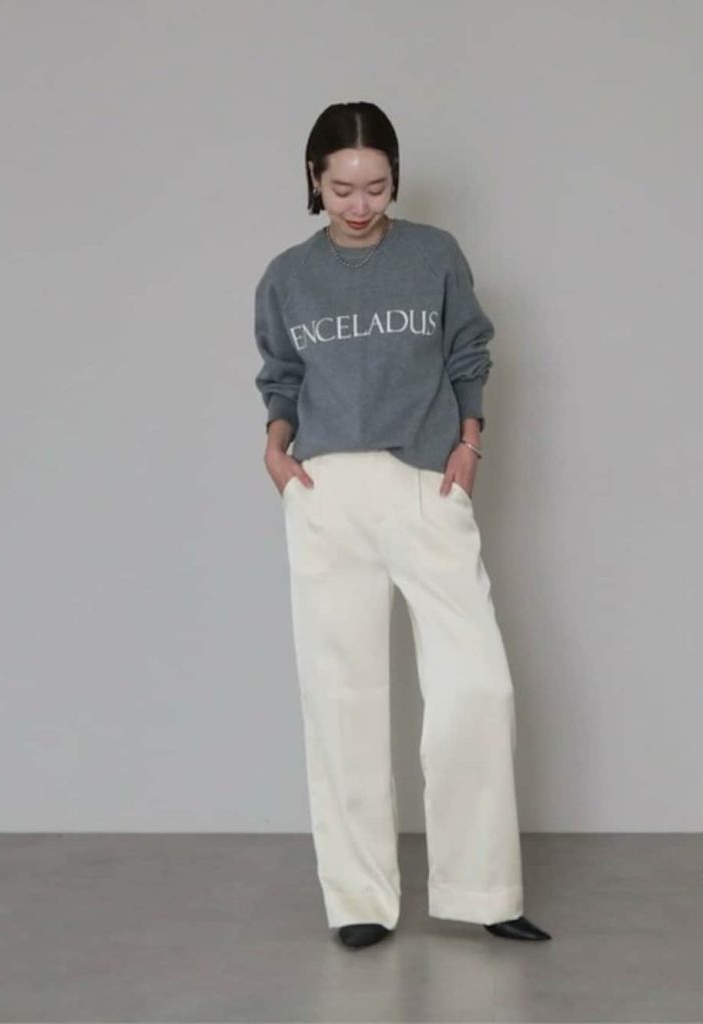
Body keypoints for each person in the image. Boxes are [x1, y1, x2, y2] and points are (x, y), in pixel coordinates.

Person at [254, 101, 552, 950]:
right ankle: (358, 899)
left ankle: (483, 888)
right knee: (339, 696)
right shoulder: (287, 275)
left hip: (425, 480)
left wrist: (469, 443)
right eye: (342, 188)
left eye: (377, 186)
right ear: (314, 180)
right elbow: (280, 375)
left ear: (395, 180)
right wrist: (274, 449)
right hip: (325, 490)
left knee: (475, 686)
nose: (360, 204)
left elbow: (468, 353)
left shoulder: (433, 255)